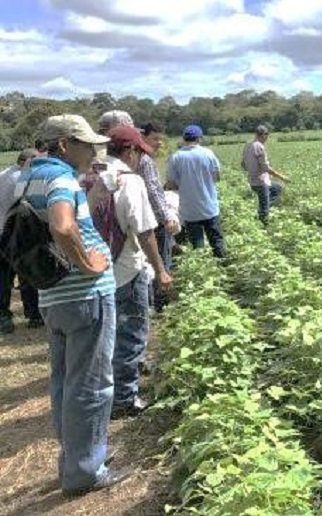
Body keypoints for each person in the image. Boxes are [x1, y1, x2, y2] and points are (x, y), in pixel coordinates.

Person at [17, 114, 127, 495]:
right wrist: (87, 262)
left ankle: (78, 456)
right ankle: (84, 472)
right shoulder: (61, 178)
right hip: (84, 294)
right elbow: (63, 226)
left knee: (66, 380)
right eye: (86, 143)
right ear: (64, 144)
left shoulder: (27, 176)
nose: (94, 150)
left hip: (52, 295)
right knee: (92, 384)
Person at [83, 125, 173, 418]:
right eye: (139, 152)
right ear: (130, 150)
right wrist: (160, 270)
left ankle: (103, 393)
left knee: (103, 336)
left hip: (90, 270)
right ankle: (124, 399)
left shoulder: (87, 176)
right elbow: (145, 232)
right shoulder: (129, 181)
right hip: (125, 270)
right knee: (131, 335)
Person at [0, 148, 43, 332]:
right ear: (27, 161)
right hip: (15, 233)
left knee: (3, 277)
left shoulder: (3, 174)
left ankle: (3, 316)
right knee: (26, 273)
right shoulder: (21, 178)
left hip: (1, 230)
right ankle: (33, 314)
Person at [166, 124, 225, 258]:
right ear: (199, 138)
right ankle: (223, 268)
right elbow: (217, 177)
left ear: (184, 139)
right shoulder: (208, 153)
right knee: (216, 241)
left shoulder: (175, 157)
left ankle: (202, 271)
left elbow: (171, 184)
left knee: (197, 245)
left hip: (189, 209)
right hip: (209, 206)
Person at [137, 122, 176, 312]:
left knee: (148, 261)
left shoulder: (137, 158)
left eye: (161, 139)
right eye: (155, 138)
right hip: (154, 220)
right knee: (160, 260)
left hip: (142, 219)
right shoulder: (145, 160)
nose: (159, 143)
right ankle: (160, 305)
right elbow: (153, 191)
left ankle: (152, 302)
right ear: (143, 136)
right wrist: (166, 218)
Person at [241, 124, 290, 225]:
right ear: (263, 135)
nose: (267, 138)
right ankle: (264, 225)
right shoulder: (259, 146)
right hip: (261, 182)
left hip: (252, 181)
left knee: (277, 188)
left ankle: (263, 207)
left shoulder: (248, 145)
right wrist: (282, 177)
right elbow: (266, 168)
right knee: (265, 210)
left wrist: (251, 169)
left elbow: (243, 164)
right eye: (266, 135)